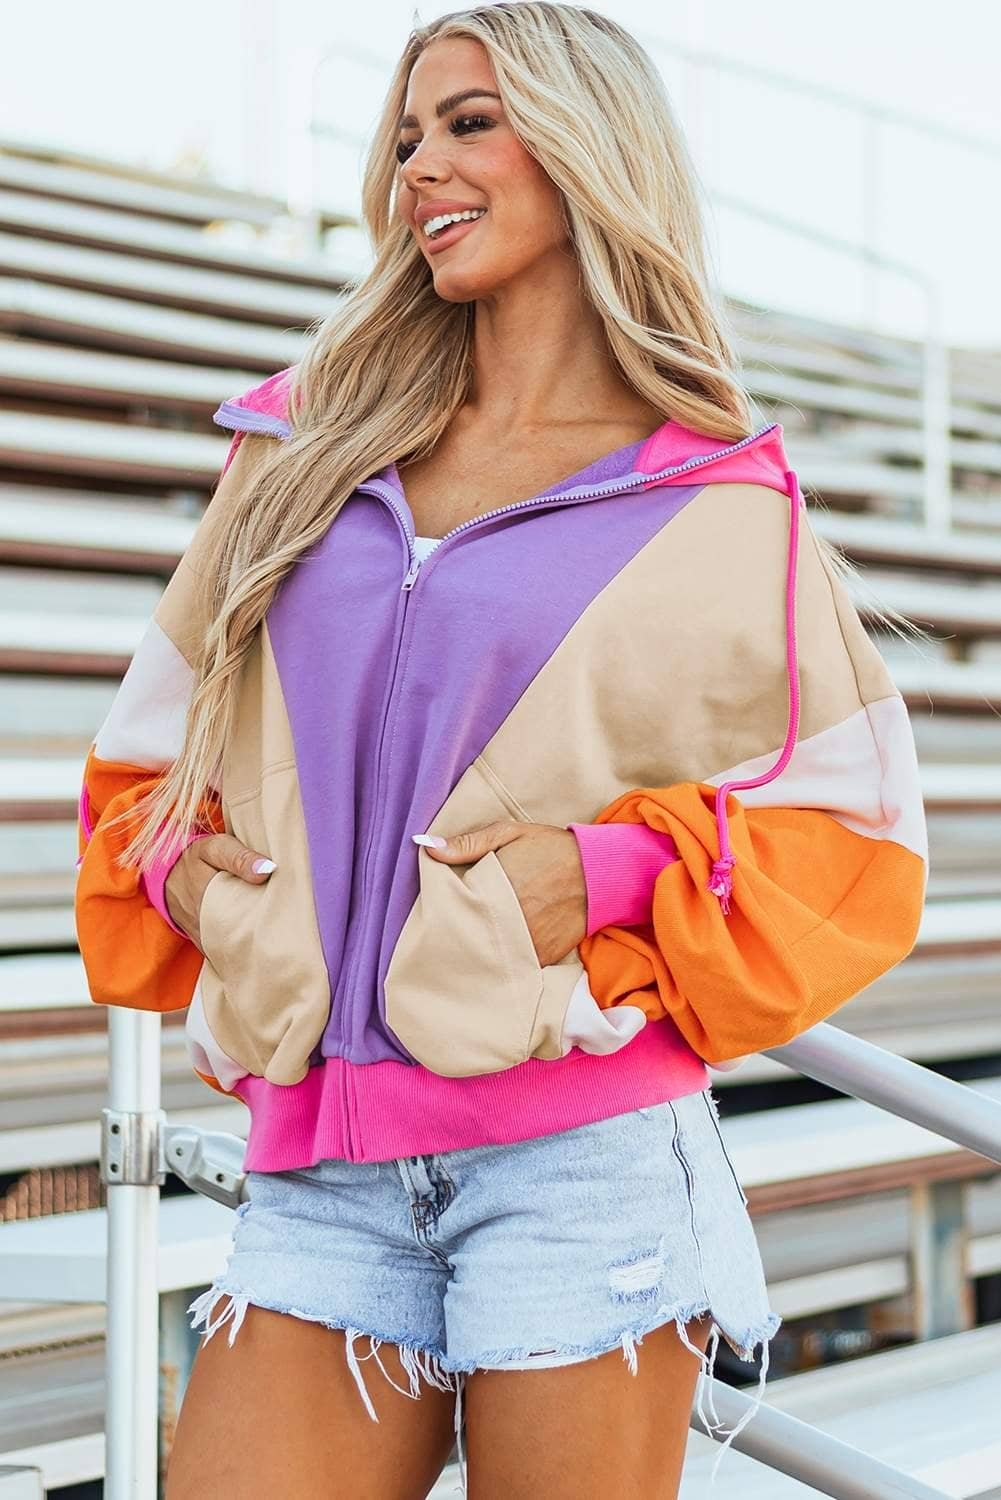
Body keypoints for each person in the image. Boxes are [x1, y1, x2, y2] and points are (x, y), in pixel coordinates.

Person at [74, 5, 929, 1497]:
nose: (420, 165)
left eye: (471, 124)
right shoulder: (301, 452)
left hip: (582, 1171)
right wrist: (199, 887)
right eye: (408, 134)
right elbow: (141, 767)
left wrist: (593, 878)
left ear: (588, 149)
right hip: (319, 1172)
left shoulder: (719, 498)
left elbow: (856, 840)